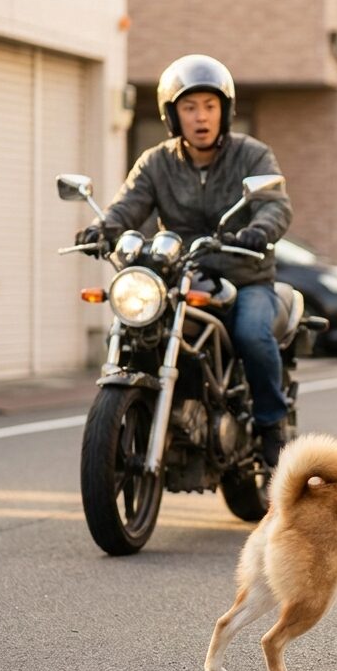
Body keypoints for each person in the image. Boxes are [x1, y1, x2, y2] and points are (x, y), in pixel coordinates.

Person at [76, 54, 294, 467]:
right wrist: (101, 228)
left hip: (245, 276)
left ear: (225, 110)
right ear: (172, 114)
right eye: (189, 107)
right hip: (180, 275)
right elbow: (128, 205)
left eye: (210, 106)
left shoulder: (253, 156)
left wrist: (259, 231)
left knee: (251, 333)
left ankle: (271, 428)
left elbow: (275, 206)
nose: (201, 117)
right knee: (134, 326)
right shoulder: (157, 162)